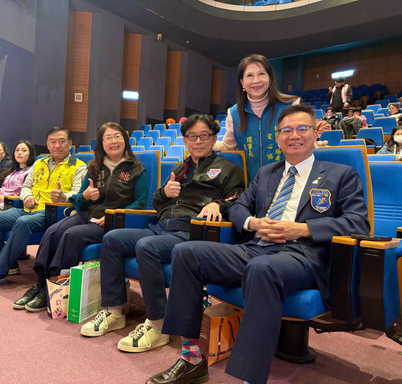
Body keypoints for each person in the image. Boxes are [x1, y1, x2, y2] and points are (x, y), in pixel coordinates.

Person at [147, 105, 370, 384]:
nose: (294, 135)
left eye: (302, 128)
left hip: (302, 254)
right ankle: (191, 359)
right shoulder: (267, 173)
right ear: (278, 138)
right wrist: (253, 223)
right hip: (256, 246)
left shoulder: (341, 174)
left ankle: (250, 378)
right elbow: (239, 206)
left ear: (315, 133)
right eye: (286, 130)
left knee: (262, 268)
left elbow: (358, 223)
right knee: (186, 252)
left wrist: (301, 229)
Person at [80, 114, 245, 353]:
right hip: (161, 227)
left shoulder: (228, 168)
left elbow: (238, 200)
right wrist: (165, 193)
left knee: (147, 246)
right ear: (185, 141)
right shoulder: (179, 168)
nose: (198, 141)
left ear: (214, 138)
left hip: (192, 230)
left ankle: (158, 325)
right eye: (192, 136)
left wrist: (219, 205)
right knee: (112, 239)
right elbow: (156, 203)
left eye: (204, 136)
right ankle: (115, 311)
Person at [13, 122, 149, 312]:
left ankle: (57, 286)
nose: (113, 141)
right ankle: (40, 284)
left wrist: (113, 215)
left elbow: (140, 202)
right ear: (101, 143)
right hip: (87, 214)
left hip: (111, 221)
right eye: (107, 138)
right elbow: (78, 198)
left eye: (117, 136)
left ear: (125, 140)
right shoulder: (94, 167)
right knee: (53, 231)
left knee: (71, 235)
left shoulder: (137, 170)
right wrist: (85, 196)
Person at [0, 127, 87, 288]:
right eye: (53, 142)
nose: (57, 145)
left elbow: (78, 192)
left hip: (52, 212)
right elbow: (26, 186)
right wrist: (27, 196)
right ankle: (5, 266)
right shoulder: (40, 162)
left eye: (62, 141)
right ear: (47, 144)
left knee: (23, 222)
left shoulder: (78, 166)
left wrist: (64, 197)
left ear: (70, 143)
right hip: (28, 207)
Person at [214, 54, 299, 184]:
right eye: (249, 75)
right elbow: (227, 146)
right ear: (242, 82)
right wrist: (205, 142)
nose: (256, 80)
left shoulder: (291, 106)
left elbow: (301, 141)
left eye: (261, 74)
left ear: (270, 79)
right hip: (250, 187)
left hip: (287, 185)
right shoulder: (234, 113)